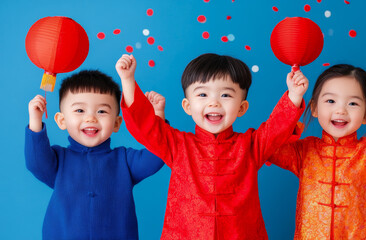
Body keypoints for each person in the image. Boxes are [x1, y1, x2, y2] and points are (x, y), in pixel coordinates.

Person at [116, 53, 308, 239]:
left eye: (225, 94)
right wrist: (128, 79)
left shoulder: (251, 145)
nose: (214, 102)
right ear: (187, 106)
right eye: (202, 94)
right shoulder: (177, 145)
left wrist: (294, 94)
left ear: (241, 108)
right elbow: (144, 126)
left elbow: (277, 128)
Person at [268, 64, 366, 240]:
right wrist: (294, 97)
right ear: (314, 108)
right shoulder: (304, 151)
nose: (341, 110)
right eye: (330, 101)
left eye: (353, 103)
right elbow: (271, 145)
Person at [25, 70, 165, 240]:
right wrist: (35, 120)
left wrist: (157, 117)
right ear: (62, 120)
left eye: (101, 112)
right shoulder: (58, 159)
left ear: (116, 123)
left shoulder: (125, 160)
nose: (90, 118)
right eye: (79, 110)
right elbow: (36, 163)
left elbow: (156, 156)